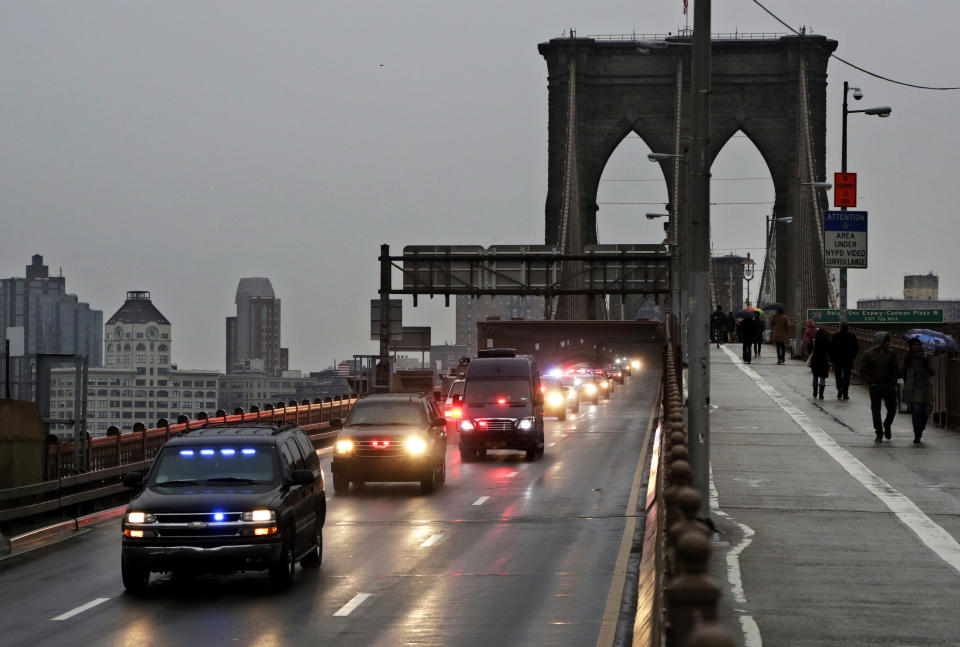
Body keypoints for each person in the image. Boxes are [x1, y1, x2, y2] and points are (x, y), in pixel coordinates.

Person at [859, 331, 900, 442]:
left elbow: (896, 370)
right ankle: (878, 432)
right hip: (875, 386)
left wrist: (893, 382)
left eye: (889, 341)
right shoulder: (869, 354)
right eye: (886, 341)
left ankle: (887, 424)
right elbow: (863, 370)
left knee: (892, 408)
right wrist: (870, 382)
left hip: (888, 386)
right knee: (876, 410)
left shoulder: (891, 354)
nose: (888, 343)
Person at [900, 336, 935, 443]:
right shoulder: (908, 358)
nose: (916, 347)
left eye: (918, 345)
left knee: (925, 413)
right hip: (913, 388)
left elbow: (933, 372)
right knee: (916, 411)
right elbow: (901, 371)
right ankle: (917, 434)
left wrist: (927, 365)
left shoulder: (926, 357)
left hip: (925, 388)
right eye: (914, 345)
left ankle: (921, 428)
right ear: (911, 347)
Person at [829, 323, 860, 400]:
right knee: (847, 376)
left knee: (838, 376)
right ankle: (845, 393)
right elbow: (856, 347)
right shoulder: (852, 336)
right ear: (847, 328)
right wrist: (853, 355)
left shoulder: (836, 336)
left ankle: (839, 389)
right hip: (848, 359)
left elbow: (831, 348)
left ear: (841, 328)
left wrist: (832, 359)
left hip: (838, 359)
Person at [809, 327, 831, 399]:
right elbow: (828, 350)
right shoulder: (826, 341)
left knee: (815, 377)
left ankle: (815, 392)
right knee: (822, 377)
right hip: (823, 360)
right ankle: (821, 394)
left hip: (815, 359)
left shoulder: (815, 340)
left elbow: (811, 348)